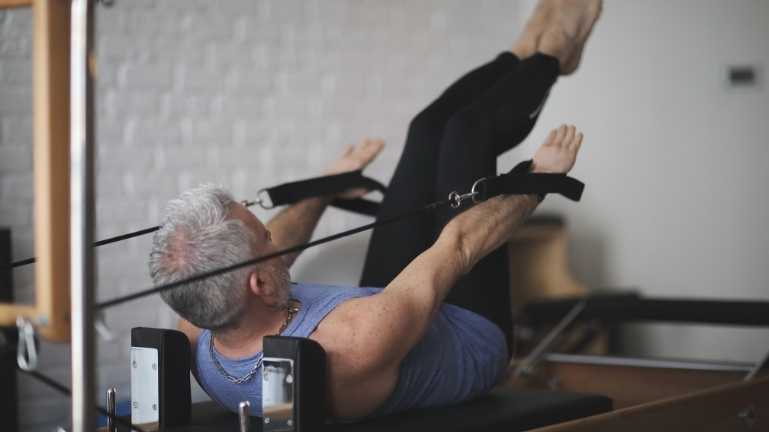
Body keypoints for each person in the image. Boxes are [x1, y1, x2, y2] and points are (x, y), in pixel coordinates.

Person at [149, 0, 600, 420]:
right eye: (264, 238)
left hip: (385, 307)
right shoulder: (352, 340)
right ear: (260, 283)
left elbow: (274, 248)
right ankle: (554, 53)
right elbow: (458, 245)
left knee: (424, 130)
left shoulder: (201, 314)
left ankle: (520, 54)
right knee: (468, 130)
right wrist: (536, 179)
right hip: (467, 332)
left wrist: (328, 187)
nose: (275, 238)